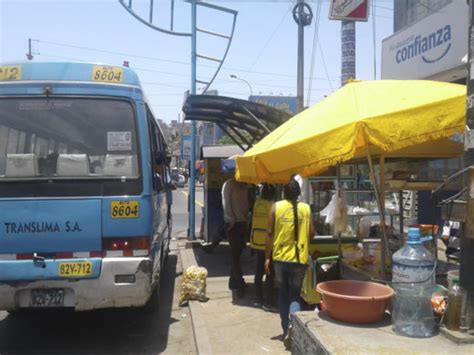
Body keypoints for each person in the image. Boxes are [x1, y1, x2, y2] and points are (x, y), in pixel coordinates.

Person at [265, 178, 314, 349]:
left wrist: (266, 257)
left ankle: (286, 328)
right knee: (295, 294)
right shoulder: (306, 209)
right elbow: (312, 234)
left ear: (284, 193)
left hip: (279, 259)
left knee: (283, 293)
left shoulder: (275, 207)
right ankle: (293, 327)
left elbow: (269, 234)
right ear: (299, 193)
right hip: (299, 259)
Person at [222, 177, 250, 297]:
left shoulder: (244, 185)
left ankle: (233, 280)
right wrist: (230, 219)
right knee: (235, 255)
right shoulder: (229, 184)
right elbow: (226, 203)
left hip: (242, 222)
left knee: (237, 254)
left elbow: (246, 204)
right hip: (234, 223)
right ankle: (239, 282)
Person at [250, 184, 276, 308]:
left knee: (258, 272)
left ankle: (257, 298)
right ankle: (269, 301)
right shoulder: (271, 206)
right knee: (269, 273)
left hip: (256, 241)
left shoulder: (257, 204)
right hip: (267, 244)